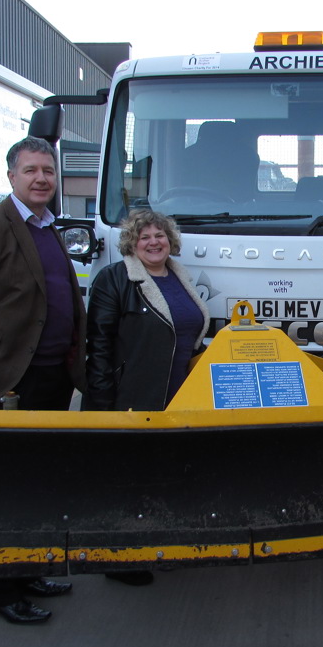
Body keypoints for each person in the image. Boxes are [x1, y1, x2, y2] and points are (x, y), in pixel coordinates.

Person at [0, 136, 86, 624]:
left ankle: (29, 571)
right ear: (11, 176)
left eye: (48, 170)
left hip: (51, 377)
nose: (41, 178)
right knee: (9, 487)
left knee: (39, 481)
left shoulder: (47, 227)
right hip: (10, 382)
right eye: (31, 171)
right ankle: (1, 594)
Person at [83, 209, 210, 585]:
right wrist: (104, 403)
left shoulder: (178, 276)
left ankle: (157, 545)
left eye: (160, 235)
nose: (154, 242)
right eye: (145, 237)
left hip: (177, 395)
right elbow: (99, 344)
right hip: (132, 397)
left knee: (162, 476)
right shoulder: (115, 278)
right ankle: (119, 560)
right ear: (131, 244)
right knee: (128, 480)